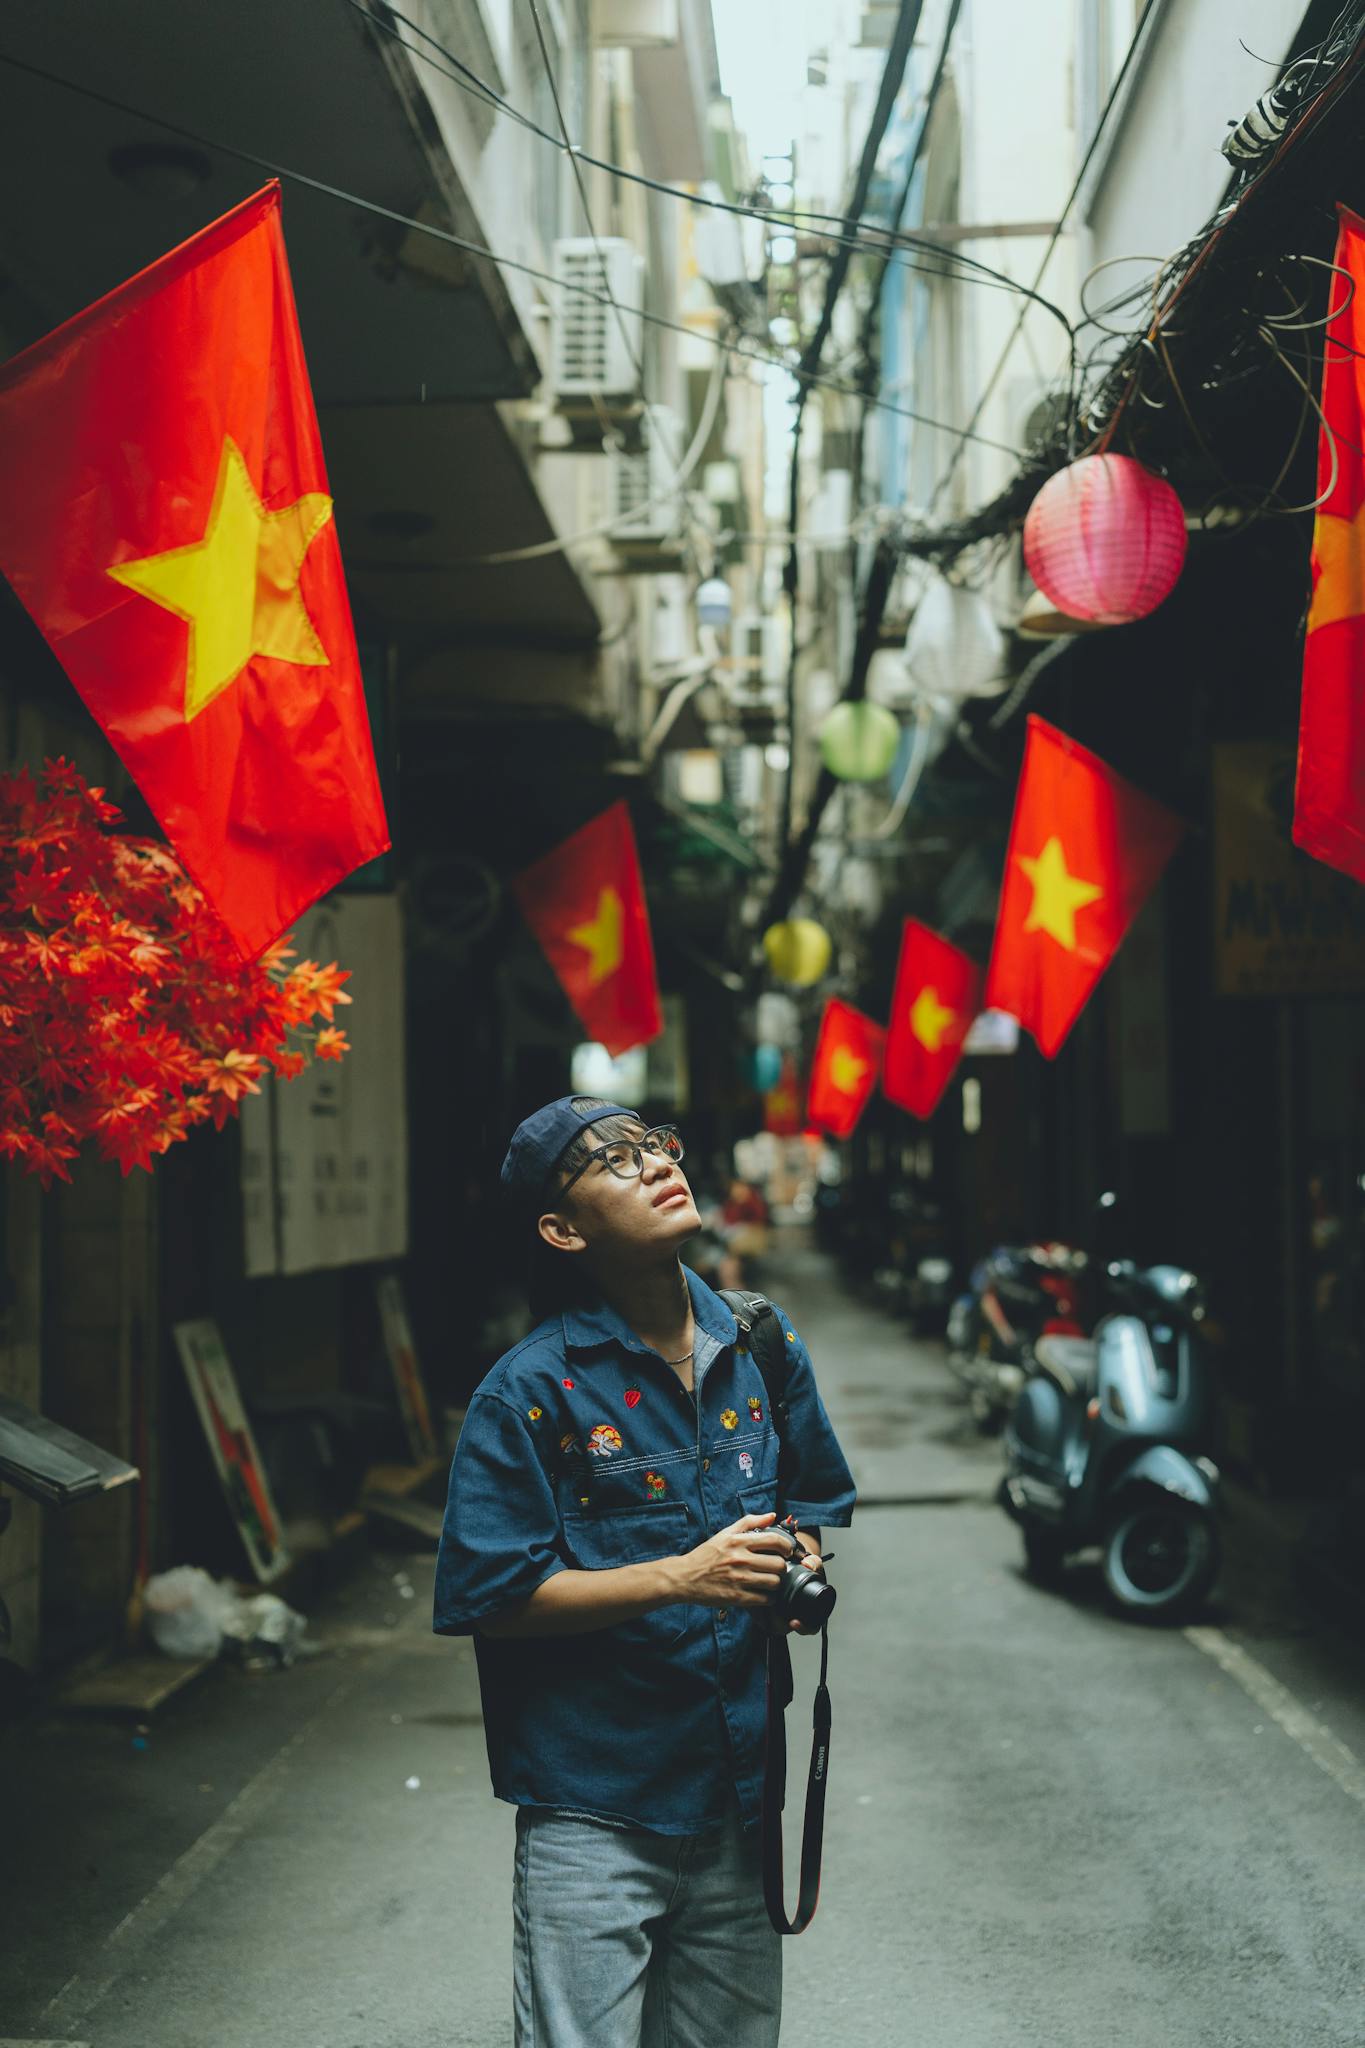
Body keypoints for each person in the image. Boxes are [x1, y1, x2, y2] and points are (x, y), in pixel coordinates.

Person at [433, 1095, 856, 2048]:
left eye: (655, 1144)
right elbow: (491, 1598)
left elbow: (813, 1493)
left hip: (739, 1792)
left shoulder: (758, 1340)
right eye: (612, 1162)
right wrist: (684, 1577)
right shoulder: (529, 1391)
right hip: (593, 1806)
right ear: (561, 1229)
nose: (657, 1164)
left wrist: (798, 1561)